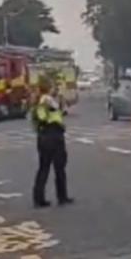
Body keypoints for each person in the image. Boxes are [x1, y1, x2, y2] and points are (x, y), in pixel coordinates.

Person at [32, 75, 74, 208]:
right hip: (53, 135)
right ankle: (62, 197)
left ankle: (39, 199)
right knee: (59, 168)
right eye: (53, 86)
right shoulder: (47, 100)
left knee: (44, 168)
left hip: (44, 136)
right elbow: (48, 115)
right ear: (48, 87)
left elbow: (59, 112)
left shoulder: (42, 99)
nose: (55, 89)